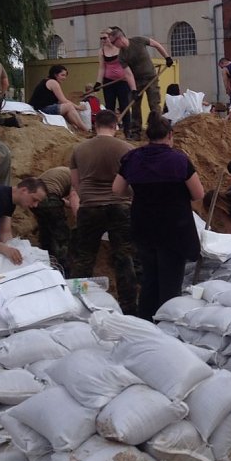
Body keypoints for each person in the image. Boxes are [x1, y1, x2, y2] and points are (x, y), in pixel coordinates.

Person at [114, 112, 203, 320]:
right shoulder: (179, 160)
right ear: (170, 135)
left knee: (149, 279)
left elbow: (117, 189)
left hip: (143, 224)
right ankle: (167, 325)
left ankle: (146, 321)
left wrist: (140, 193)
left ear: (148, 135)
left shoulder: (132, 158)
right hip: (174, 227)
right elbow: (198, 194)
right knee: (170, 282)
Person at [69, 109, 138, 315]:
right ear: (115, 126)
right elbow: (132, 181)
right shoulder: (127, 148)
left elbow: (75, 183)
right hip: (119, 206)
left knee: (84, 257)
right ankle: (129, 307)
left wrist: (89, 197)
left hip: (89, 207)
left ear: (95, 125)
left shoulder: (79, 149)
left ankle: (77, 303)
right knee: (124, 257)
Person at [107, 26, 172, 140]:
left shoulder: (138, 41)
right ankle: (136, 133)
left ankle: (157, 130)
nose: (112, 44)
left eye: (113, 42)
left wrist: (167, 57)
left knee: (154, 104)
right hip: (136, 81)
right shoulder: (122, 56)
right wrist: (133, 90)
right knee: (135, 106)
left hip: (151, 77)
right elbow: (128, 74)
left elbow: (156, 45)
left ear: (120, 38)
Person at [31, 166, 78, 274]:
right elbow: (74, 196)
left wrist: (70, 205)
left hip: (34, 199)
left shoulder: (63, 174)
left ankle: (47, 267)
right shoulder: (79, 175)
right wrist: (79, 218)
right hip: (47, 197)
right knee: (62, 238)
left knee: (46, 235)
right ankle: (64, 271)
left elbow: (59, 199)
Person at [95, 29, 137, 136]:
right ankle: (109, 131)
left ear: (110, 37)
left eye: (104, 38)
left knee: (125, 105)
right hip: (108, 82)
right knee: (110, 107)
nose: (103, 40)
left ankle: (128, 131)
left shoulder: (120, 49)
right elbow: (101, 68)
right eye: (101, 39)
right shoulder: (101, 51)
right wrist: (98, 83)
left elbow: (130, 65)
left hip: (123, 81)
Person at [29, 65, 89, 133]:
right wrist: (79, 107)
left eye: (66, 75)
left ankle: (79, 128)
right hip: (42, 109)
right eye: (62, 75)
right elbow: (63, 100)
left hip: (41, 108)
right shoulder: (53, 82)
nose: (64, 78)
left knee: (69, 109)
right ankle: (85, 129)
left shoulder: (46, 81)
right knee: (69, 106)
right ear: (55, 74)